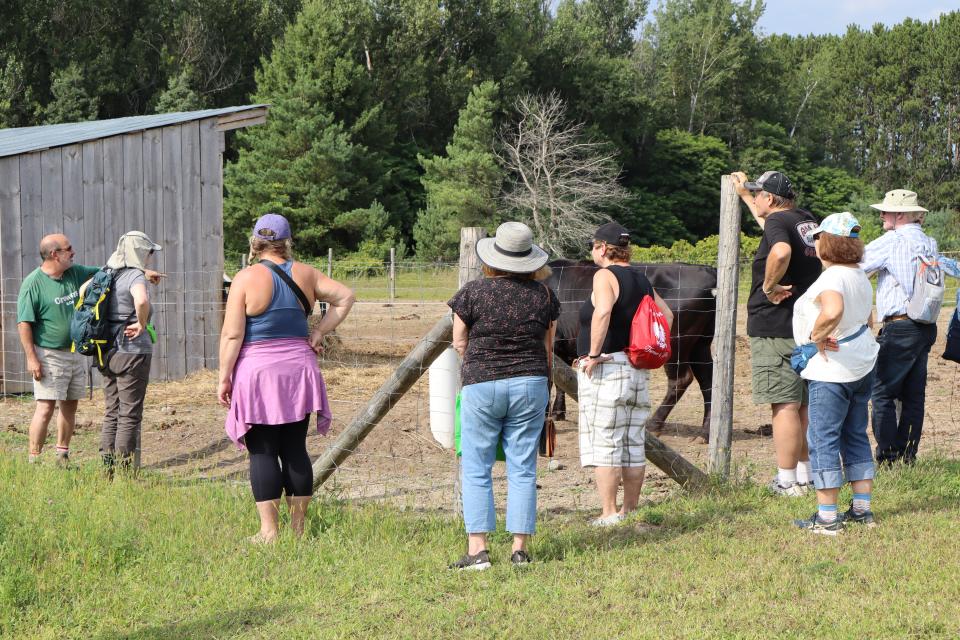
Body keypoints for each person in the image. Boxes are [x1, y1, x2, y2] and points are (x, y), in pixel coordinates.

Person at [218, 213, 354, 543]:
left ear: (255, 243)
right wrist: (319, 331)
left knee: (263, 451)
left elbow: (233, 335)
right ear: (286, 242)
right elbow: (346, 296)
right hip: (299, 369)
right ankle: (297, 530)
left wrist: (224, 376)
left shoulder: (245, 278)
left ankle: (269, 532)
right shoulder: (306, 274)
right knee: (294, 448)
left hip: (258, 372)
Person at [447, 221, 559, 569]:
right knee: (523, 467)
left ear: (493, 259)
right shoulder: (544, 296)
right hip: (530, 384)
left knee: (477, 466)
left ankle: (478, 550)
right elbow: (549, 348)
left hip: (483, 382)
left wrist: (481, 365)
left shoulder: (473, 292)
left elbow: (458, 341)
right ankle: (519, 550)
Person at [16, 234, 161, 465]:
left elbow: (111, 269)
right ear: (55, 254)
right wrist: (31, 357)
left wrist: (144, 272)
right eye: (68, 248)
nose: (73, 252)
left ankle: (62, 455)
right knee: (45, 407)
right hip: (49, 354)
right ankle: (34, 460)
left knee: (70, 405)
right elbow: (24, 323)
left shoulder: (75, 272)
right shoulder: (33, 283)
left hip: (74, 352)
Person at [576, 222, 673, 527]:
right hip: (635, 368)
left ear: (603, 248)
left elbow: (603, 311)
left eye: (594, 246)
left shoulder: (605, 275)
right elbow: (666, 315)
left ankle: (608, 513)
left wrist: (593, 355)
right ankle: (630, 511)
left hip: (609, 367)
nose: (593, 251)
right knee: (632, 443)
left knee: (606, 441)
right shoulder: (641, 279)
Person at [733, 170, 822, 496]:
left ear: (769, 199)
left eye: (757, 194)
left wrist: (769, 286)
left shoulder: (778, 225)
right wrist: (745, 196)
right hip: (804, 326)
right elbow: (777, 234)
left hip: (775, 324)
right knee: (801, 405)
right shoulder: (806, 221)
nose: (755, 198)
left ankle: (785, 482)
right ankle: (805, 476)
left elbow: (780, 251)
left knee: (783, 404)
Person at [790, 213, 879, 534]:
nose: (813, 243)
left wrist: (816, 335)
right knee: (855, 433)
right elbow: (867, 320)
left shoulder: (832, 278)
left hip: (833, 371)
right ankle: (861, 509)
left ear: (828, 241)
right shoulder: (858, 274)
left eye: (817, 238)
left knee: (823, 437)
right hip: (860, 364)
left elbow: (833, 310)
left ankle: (827, 517)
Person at [861, 189, 939, 465]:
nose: (881, 215)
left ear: (900, 215)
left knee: (882, 392)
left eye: (885, 211)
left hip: (900, 324)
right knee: (913, 395)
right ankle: (908, 455)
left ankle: (888, 456)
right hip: (925, 325)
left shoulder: (892, 241)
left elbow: (855, 263)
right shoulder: (929, 242)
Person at [100, 231, 162, 473]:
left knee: (111, 411)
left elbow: (84, 290)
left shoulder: (106, 273)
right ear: (140, 252)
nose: (149, 258)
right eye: (148, 252)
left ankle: (107, 471)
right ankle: (125, 474)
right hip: (132, 351)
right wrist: (142, 322)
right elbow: (141, 299)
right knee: (129, 414)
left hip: (106, 350)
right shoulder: (135, 276)